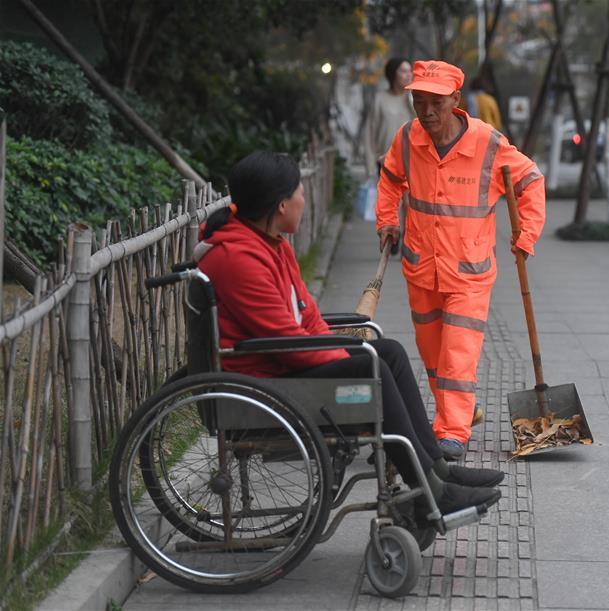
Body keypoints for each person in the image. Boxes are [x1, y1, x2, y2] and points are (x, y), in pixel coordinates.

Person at [195, 151, 504, 515]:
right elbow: (286, 343)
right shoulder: (238, 259)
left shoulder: (268, 241)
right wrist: (345, 356)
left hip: (279, 363)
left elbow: (305, 313)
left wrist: (341, 347)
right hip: (263, 380)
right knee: (372, 367)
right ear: (280, 205)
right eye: (299, 193)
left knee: (387, 352)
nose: (303, 200)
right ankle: (429, 491)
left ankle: (436, 469)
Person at [375, 60, 546, 461]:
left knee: (457, 353)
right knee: (433, 357)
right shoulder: (406, 139)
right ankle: (463, 409)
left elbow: (530, 180)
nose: (427, 111)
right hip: (421, 267)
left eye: (436, 102)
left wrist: (527, 234)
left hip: (469, 272)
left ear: (456, 99)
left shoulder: (488, 143)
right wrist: (387, 220)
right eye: (419, 101)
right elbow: (389, 178)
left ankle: (451, 432)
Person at [367, 57, 417, 177]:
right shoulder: (379, 99)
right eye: (403, 71)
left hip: (412, 161)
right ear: (392, 74)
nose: (408, 75)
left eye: (410, 71)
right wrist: (370, 164)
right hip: (385, 161)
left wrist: (410, 98)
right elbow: (370, 132)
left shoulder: (414, 98)